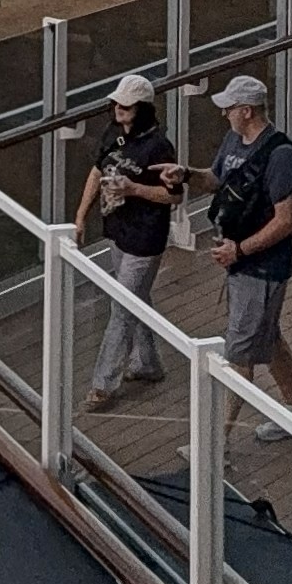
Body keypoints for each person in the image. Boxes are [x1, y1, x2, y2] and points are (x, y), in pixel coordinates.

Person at [69, 86, 186, 404]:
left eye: (127, 105)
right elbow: (97, 171)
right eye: (116, 103)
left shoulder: (159, 147)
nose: (118, 108)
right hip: (117, 231)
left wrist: (134, 189)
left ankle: (103, 385)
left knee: (122, 308)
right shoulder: (112, 132)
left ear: (143, 108)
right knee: (136, 299)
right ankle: (148, 363)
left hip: (145, 239)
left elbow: (174, 196)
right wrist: (80, 216)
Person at [204, 79, 292, 409]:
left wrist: (240, 250)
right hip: (240, 261)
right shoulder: (233, 141)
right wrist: (184, 174)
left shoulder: (281, 156)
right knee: (269, 337)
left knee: (239, 354)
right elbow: (215, 180)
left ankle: (217, 446)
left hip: (262, 269)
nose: (225, 115)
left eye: (230, 109)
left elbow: (286, 220)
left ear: (247, 111)